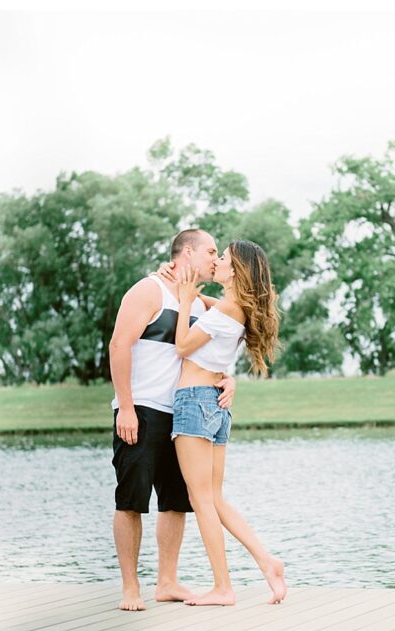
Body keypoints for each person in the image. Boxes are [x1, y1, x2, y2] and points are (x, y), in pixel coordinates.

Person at [109, 228, 235, 611]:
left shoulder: (197, 302)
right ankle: (131, 587)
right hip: (143, 409)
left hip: (185, 413)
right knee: (132, 500)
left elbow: (216, 350)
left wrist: (230, 379)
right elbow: (118, 345)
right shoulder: (148, 290)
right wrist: (126, 407)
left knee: (176, 503)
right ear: (188, 253)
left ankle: (167, 581)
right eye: (211, 251)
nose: (216, 259)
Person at [170, 239, 286, 607]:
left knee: (200, 499)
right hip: (216, 407)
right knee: (214, 498)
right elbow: (212, 311)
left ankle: (223, 588)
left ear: (235, 270)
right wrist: (195, 295)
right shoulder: (234, 309)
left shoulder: (225, 310)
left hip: (194, 401)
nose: (217, 261)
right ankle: (267, 562)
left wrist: (186, 300)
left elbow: (183, 347)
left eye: (222, 258)